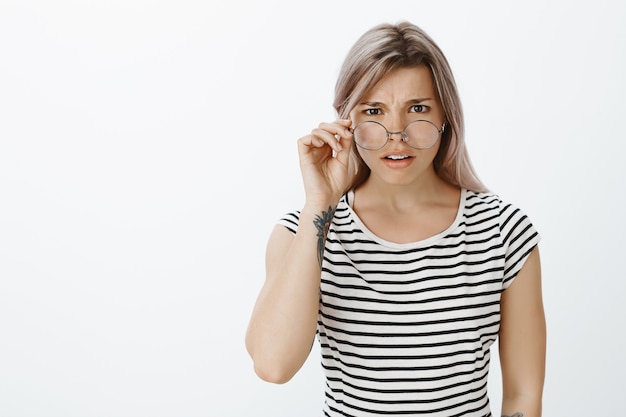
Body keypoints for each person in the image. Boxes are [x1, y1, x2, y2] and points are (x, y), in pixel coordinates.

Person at [245, 21, 546, 417]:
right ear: (346, 121)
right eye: (374, 111)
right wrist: (319, 203)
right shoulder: (301, 233)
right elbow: (272, 364)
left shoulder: (503, 232)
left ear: (446, 118)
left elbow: (523, 396)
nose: (397, 134)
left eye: (417, 108)